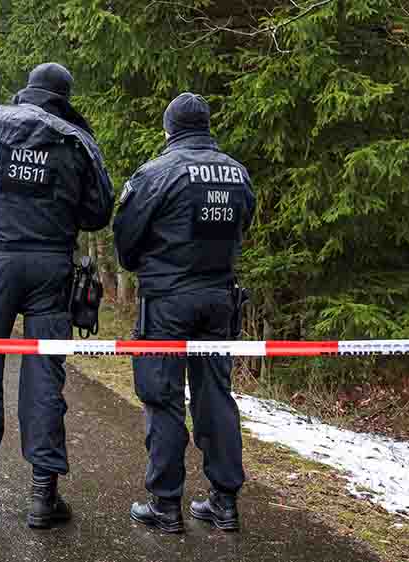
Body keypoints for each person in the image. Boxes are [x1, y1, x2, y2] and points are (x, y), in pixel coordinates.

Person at [0, 62, 114, 529]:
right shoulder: (77, 142)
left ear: (28, 91)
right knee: (44, 375)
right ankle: (42, 497)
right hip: (51, 270)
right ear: (64, 97)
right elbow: (100, 211)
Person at [112, 93, 256, 533]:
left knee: (163, 397)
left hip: (167, 302)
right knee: (216, 396)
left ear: (168, 129)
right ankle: (224, 502)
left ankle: (165, 504)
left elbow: (126, 241)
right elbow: (242, 226)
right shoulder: (237, 173)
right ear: (206, 126)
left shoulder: (156, 174)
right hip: (218, 298)